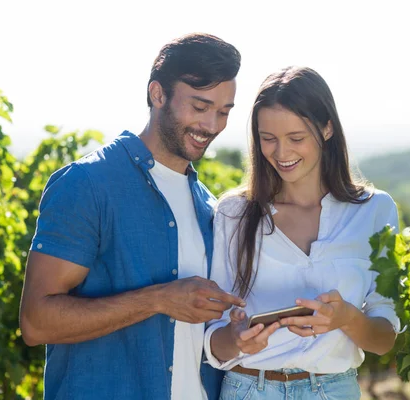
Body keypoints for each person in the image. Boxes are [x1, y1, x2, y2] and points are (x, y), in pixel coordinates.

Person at [19, 33, 245, 400]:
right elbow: (35, 322)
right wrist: (157, 300)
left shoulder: (208, 205)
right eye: (200, 107)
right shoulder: (87, 184)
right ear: (158, 94)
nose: (212, 125)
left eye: (223, 112)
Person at [203, 66, 402, 399]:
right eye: (268, 139)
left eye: (296, 138)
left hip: (334, 390)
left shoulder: (374, 211)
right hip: (248, 388)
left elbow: (385, 339)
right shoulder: (234, 213)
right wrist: (235, 338)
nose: (282, 154)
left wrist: (347, 319)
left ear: (326, 129)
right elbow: (213, 336)